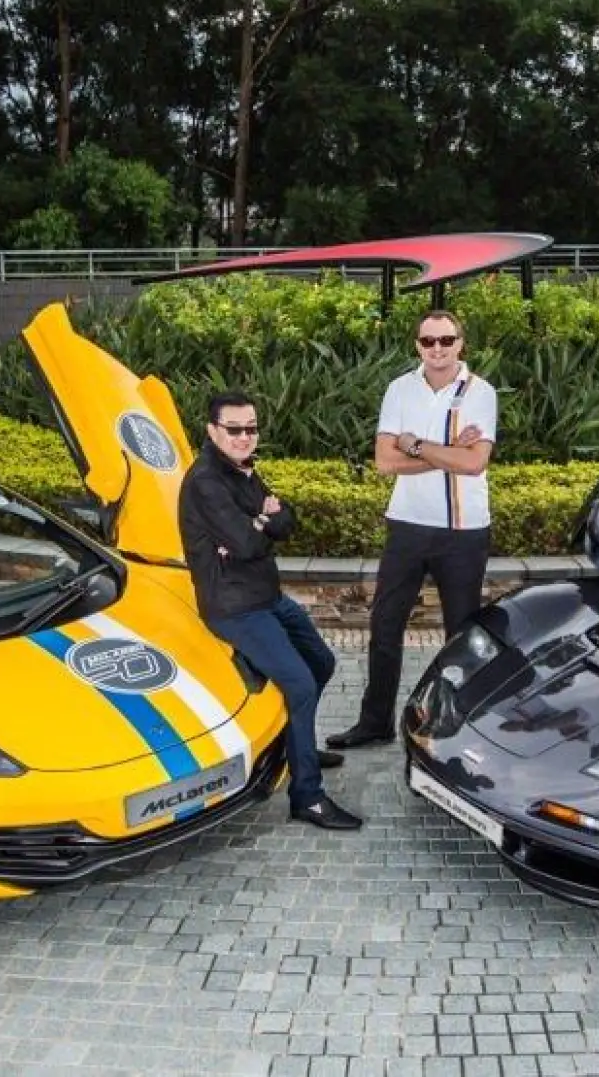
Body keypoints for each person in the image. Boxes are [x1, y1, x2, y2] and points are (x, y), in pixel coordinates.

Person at [179, 391, 363, 830]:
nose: (245, 437)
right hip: (233, 607)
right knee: (298, 683)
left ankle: (296, 745)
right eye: (235, 429)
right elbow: (247, 542)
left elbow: (285, 522)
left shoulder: (242, 471)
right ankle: (307, 795)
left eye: (251, 428)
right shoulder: (206, 480)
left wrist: (261, 521)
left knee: (321, 662)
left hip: (266, 595)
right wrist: (260, 521)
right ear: (212, 431)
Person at [327, 309, 497, 751]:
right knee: (385, 627)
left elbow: (474, 462)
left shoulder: (482, 392)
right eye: (428, 341)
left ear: (461, 343)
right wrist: (447, 451)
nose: (437, 349)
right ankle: (375, 721)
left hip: (463, 531)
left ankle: (455, 725)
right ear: (417, 345)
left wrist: (415, 445)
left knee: (460, 636)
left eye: (446, 340)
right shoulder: (399, 389)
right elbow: (385, 462)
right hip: (406, 525)